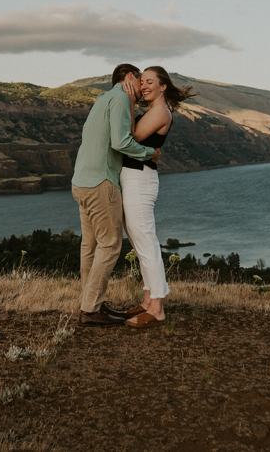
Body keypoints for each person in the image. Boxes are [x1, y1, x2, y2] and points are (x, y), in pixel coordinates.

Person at [72, 63, 160, 326]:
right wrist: (149, 154)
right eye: (140, 80)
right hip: (102, 183)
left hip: (81, 182)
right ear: (129, 77)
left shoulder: (103, 99)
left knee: (90, 246)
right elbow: (120, 142)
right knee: (110, 244)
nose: (142, 87)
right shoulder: (120, 98)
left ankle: (89, 302)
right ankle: (90, 309)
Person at [119, 66, 194, 328]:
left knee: (146, 243)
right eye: (142, 81)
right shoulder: (154, 110)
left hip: (140, 179)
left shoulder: (161, 111)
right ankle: (147, 300)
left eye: (150, 81)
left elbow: (131, 136)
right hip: (134, 177)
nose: (144, 85)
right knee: (139, 243)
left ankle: (157, 308)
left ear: (163, 86)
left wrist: (129, 101)